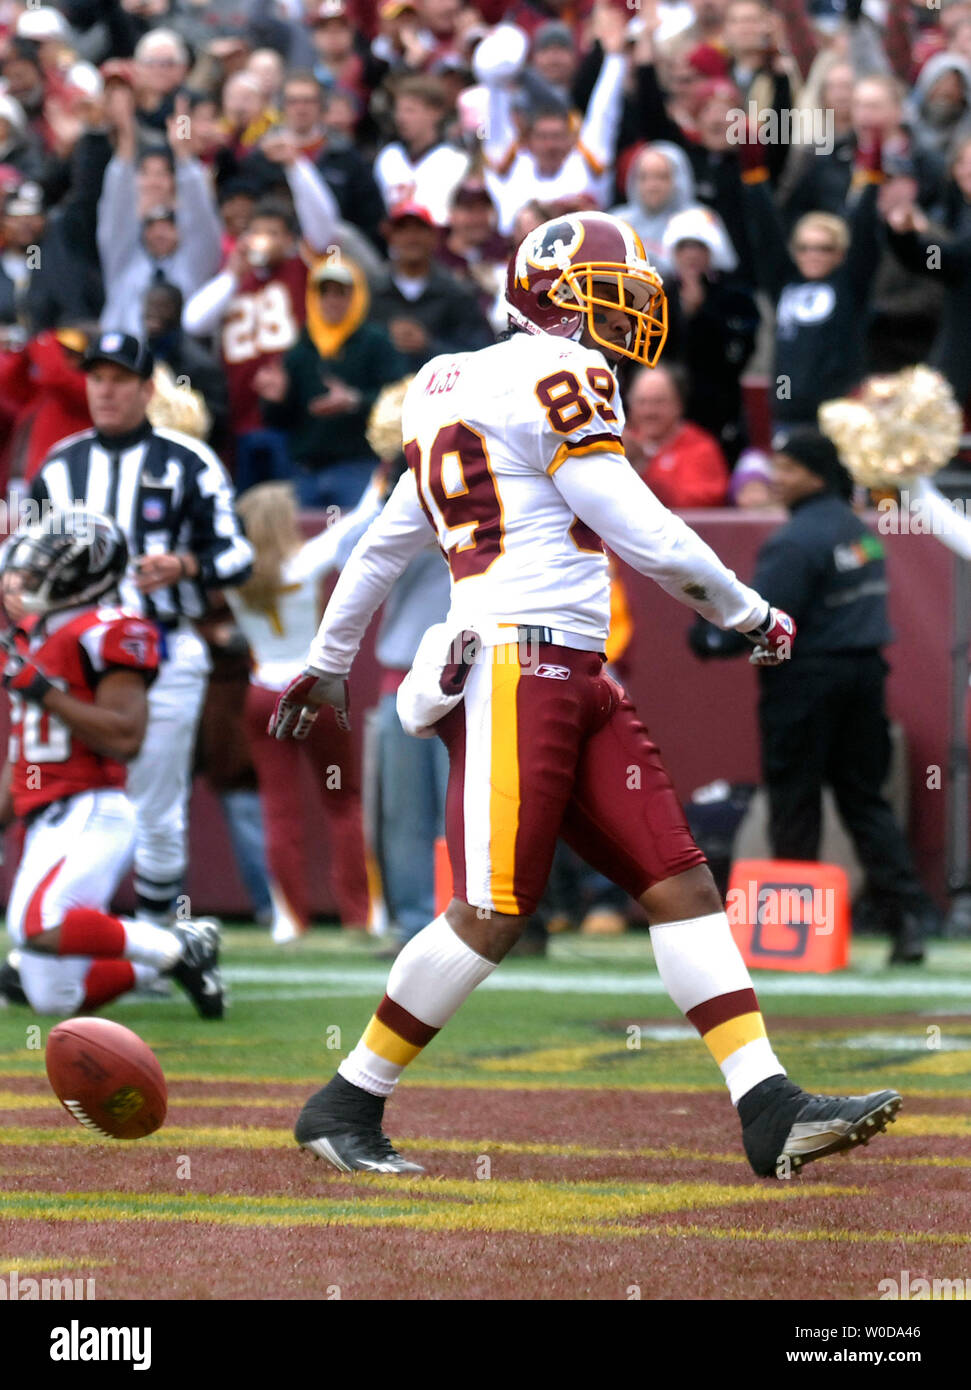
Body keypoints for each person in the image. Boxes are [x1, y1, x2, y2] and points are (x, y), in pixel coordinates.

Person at [269, 209, 901, 1178]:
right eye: (607, 300)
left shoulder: (447, 384)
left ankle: (765, 1105)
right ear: (552, 302)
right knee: (491, 908)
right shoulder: (556, 375)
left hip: (569, 669)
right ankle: (347, 1098)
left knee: (679, 882)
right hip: (518, 663)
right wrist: (750, 615)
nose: (623, 321)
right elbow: (639, 530)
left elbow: (386, 543)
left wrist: (326, 658)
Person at [689, 426, 941, 964]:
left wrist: (709, 639)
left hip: (803, 683)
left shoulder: (794, 540)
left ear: (814, 473)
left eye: (787, 468)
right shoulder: (857, 530)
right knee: (864, 801)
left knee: (794, 801)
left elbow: (769, 623)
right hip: (865, 674)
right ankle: (909, 918)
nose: (777, 478)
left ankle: (793, 932)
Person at [28, 331, 253, 923]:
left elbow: (237, 557)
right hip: (78, 658)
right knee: (67, 796)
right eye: (96, 377)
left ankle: (156, 945)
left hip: (165, 647)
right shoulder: (61, 465)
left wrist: (185, 565)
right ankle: (61, 932)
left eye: (119, 379)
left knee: (155, 803)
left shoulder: (188, 461)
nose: (104, 390)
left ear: (146, 388)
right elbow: (29, 562)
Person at [0, 508, 224, 1018]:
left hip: (90, 807)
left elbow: (126, 737)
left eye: (40, 571)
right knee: (53, 996)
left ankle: (174, 946)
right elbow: (23, 756)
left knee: (35, 925)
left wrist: (44, 693)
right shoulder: (32, 635)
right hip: (46, 815)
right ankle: (163, 959)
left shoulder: (108, 628)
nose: (26, 580)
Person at [229, 481, 377, 941]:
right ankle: (361, 914)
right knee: (343, 801)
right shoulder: (307, 559)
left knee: (279, 809)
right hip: (312, 686)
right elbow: (361, 519)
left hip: (261, 693)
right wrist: (379, 475)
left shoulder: (234, 574)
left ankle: (289, 919)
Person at [253, 259, 406, 509]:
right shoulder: (299, 349)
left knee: (356, 542)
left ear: (356, 297)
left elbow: (399, 400)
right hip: (305, 471)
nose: (332, 300)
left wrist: (354, 401)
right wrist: (275, 399)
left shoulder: (375, 342)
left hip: (359, 467)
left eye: (341, 293)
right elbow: (279, 421)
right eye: (324, 293)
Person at [623, 363, 731, 508]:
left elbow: (701, 503)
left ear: (679, 403)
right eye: (641, 402)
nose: (648, 411)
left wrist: (643, 468)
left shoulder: (701, 448)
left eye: (659, 402)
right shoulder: (617, 443)